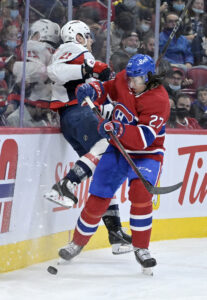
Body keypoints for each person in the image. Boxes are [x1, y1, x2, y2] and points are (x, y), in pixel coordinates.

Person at [57, 54, 170, 272]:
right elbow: (110, 88)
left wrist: (117, 129)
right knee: (99, 195)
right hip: (117, 149)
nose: (130, 83)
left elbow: (143, 138)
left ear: (148, 78)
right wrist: (94, 91)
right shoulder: (125, 78)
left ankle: (141, 248)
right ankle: (77, 243)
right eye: (129, 78)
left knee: (140, 193)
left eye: (136, 79)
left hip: (147, 153)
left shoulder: (159, 100)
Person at [44, 20, 132, 255]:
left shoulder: (76, 55)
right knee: (108, 147)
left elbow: (96, 81)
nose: (91, 40)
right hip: (78, 114)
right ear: (78, 36)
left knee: (105, 170)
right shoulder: (73, 49)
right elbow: (55, 71)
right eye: (88, 35)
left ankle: (115, 234)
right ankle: (65, 185)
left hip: (75, 118)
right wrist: (89, 68)